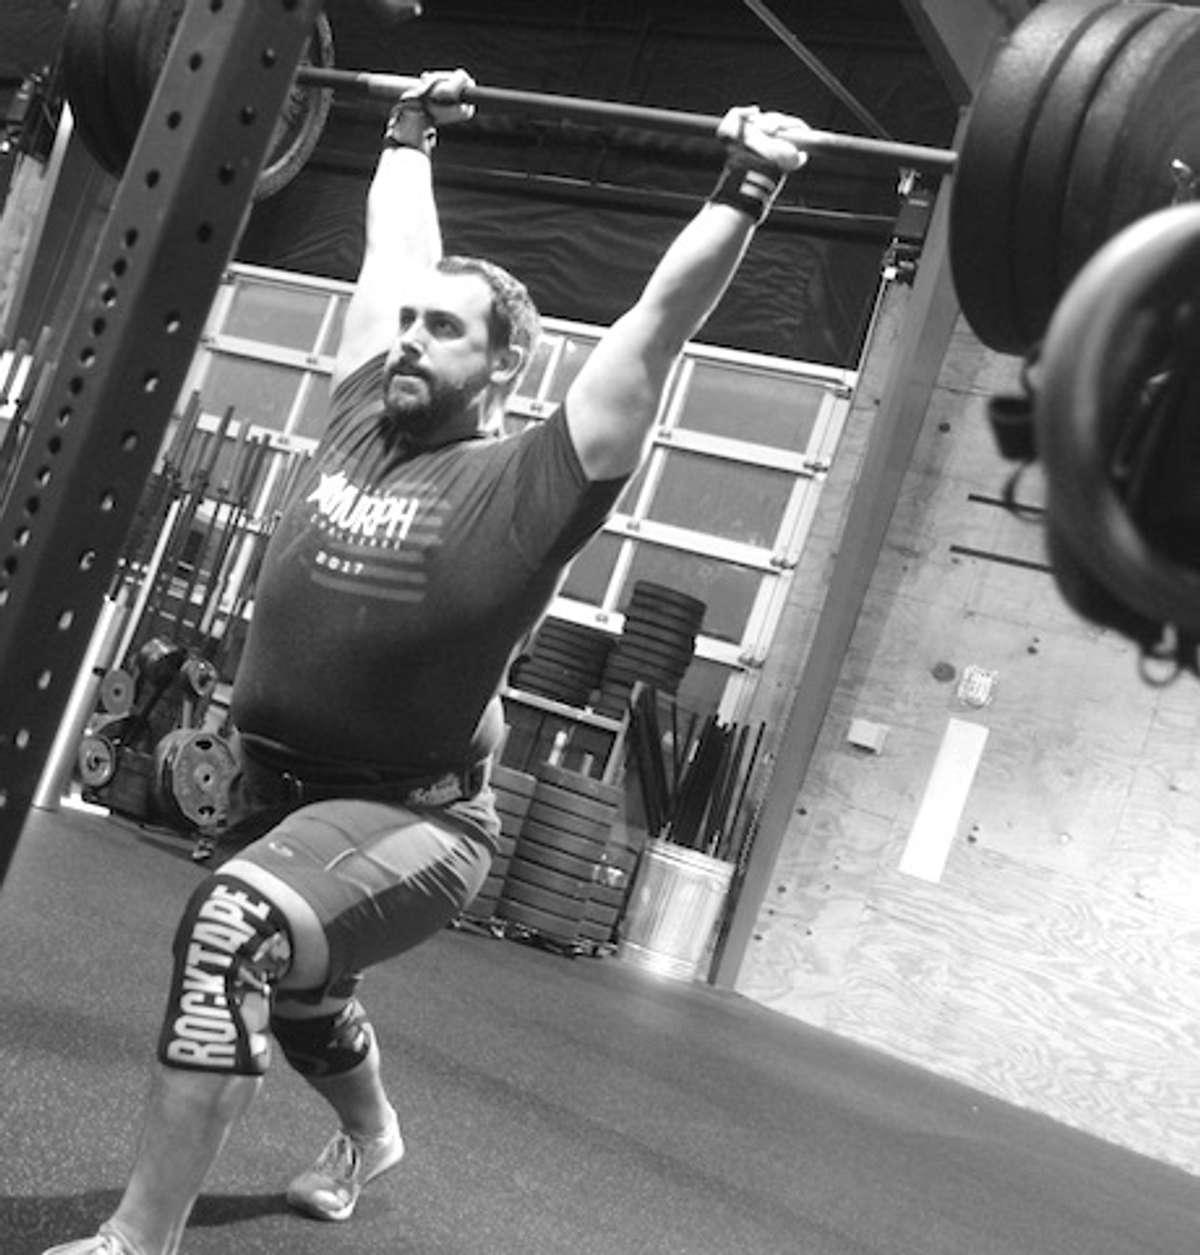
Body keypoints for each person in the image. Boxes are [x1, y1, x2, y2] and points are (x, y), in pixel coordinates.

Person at [46, 68, 808, 1255]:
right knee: (305, 1000)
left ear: (505, 366)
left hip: (415, 816)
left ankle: (136, 1240)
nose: (409, 337)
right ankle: (373, 1133)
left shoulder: (534, 481)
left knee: (231, 932)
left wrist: (748, 181)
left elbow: (658, 323)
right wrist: (408, 132)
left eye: (443, 330)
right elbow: (395, 253)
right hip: (271, 791)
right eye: (410, 322)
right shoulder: (362, 414)